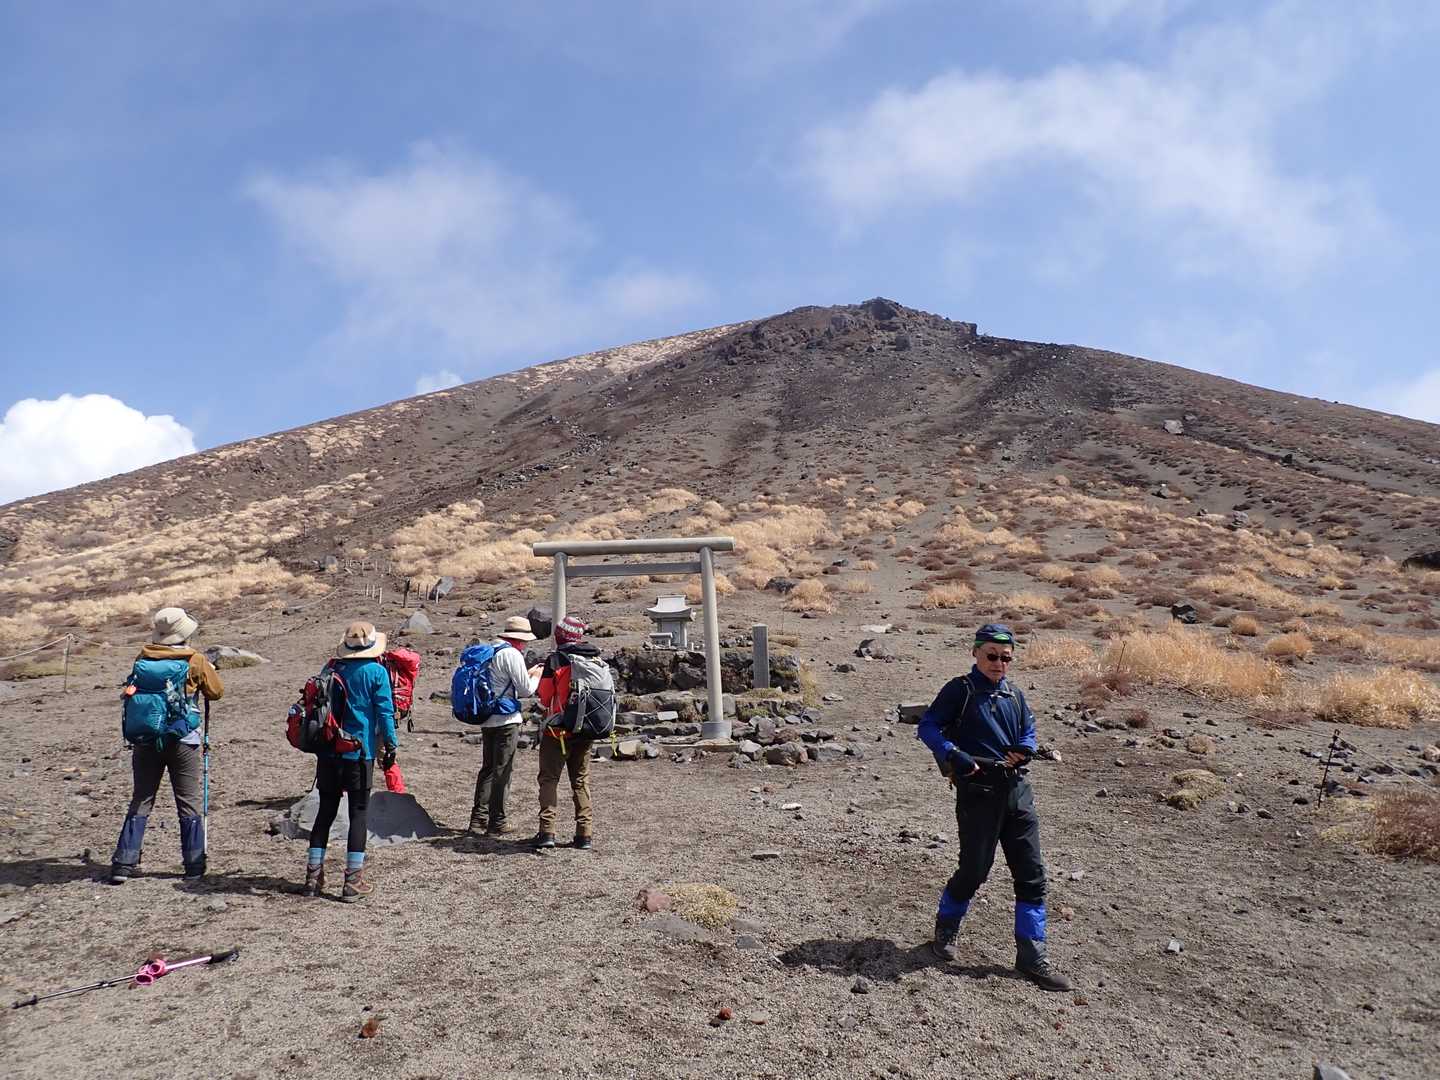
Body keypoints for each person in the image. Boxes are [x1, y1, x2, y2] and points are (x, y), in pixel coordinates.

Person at [916, 623, 1071, 991]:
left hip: (1017, 791)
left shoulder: (1015, 695)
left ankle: (1032, 957)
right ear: (975, 653)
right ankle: (946, 930)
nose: (999, 663)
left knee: (1032, 875)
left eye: (1006, 658)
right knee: (973, 871)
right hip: (978, 793)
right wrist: (953, 753)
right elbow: (928, 727)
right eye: (991, 655)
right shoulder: (960, 690)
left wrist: (1026, 749)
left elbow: (1028, 730)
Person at [111, 607, 224, 884]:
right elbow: (216, 692)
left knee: (142, 797)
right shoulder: (194, 660)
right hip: (183, 739)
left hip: (145, 738)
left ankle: (124, 863)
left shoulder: (143, 658)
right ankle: (194, 864)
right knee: (188, 800)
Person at [302, 621, 397, 902]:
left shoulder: (331, 668)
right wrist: (391, 744)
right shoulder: (376, 672)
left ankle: (312, 877)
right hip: (359, 751)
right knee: (358, 814)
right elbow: (385, 712)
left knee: (325, 812)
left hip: (329, 750)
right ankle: (353, 881)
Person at [532, 614, 609, 850]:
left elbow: (545, 695)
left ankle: (547, 832)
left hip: (558, 731)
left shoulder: (556, 660)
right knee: (580, 781)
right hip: (586, 728)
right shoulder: (595, 659)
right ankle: (584, 834)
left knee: (549, 779)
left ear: (559, 636)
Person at [467, 615, 541, 836]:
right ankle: (497, 821)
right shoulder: (512, 654)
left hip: (487, 716)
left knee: (488, 769)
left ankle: (478, 819)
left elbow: (501, 682)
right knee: (503, 771)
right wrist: (536, 676)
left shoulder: (490, 650)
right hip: (506, 720)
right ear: (520, 639)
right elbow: (526, 690)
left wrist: (526, 675)